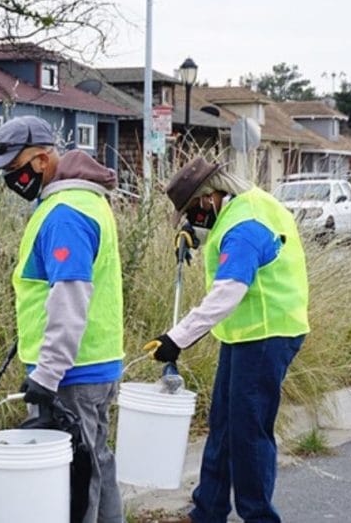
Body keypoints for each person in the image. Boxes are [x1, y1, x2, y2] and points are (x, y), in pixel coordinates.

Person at [144, 157, 308, 523]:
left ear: (209, 197)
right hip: (248, 332)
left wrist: (176, 339)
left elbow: (227, 294)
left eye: (193, 211)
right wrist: (195, 232)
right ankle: (208, 511)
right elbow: (226, 235)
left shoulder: (244, 228)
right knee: (224, 424)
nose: (194, 217)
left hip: (267, 333)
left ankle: (259, 517)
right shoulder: (244, 204)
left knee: (248, 432)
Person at [0, 115, 125, 523]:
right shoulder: (80, 202)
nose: (10, 178)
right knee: (95, 464)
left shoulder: (65, 214)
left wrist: (47, 373)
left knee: (76, 481)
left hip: (71, 373)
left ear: (42, 160)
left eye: (15, 167)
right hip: (89, 361)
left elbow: (70, 296)